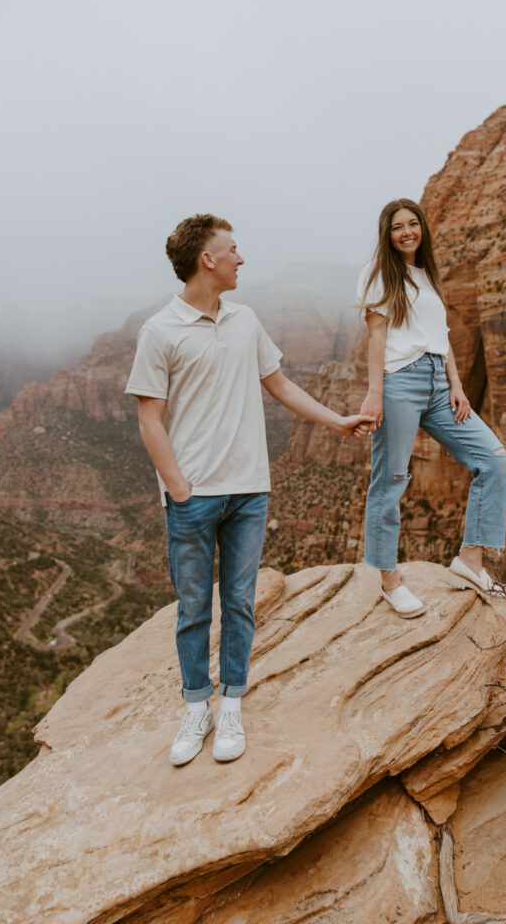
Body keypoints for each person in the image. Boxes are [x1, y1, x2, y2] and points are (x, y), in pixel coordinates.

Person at [126, 214, 373, 766]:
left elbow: (279, 384)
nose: (242, 258)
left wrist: (337, 421)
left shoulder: (245, 320)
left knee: (238, 604)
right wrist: (179, 489)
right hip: (194, 497)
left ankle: (231, 704)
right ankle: (197, 707)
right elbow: (150, 420)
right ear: (206, 260)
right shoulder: (159, 331)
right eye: (232, 249)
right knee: (194, 608)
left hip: (249, 492)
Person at [357, 198, 506, 617]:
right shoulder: (378, 277)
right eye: (397, 227)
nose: (406, 232)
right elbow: (376, 339)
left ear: (422, 228)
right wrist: (375, 392)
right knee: (390, 480)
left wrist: (457, 385)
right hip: (399, 383)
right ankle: (390, 579)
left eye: (412, 224)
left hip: (439, 384)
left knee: (495, 459)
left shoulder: (427, 276)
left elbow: (438, 337)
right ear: (386, 235)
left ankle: (471, 561)